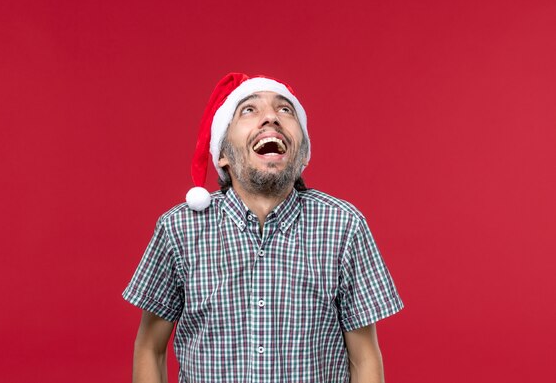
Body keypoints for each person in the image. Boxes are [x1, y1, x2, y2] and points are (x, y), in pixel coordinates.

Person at [123, 73, 404, 383]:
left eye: (286, 110)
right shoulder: (178, 230)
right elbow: (150, 348)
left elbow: (364, 358)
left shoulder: (344, 227)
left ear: (304, 153)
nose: (271, 117)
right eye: (249, 110)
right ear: (222, 154)